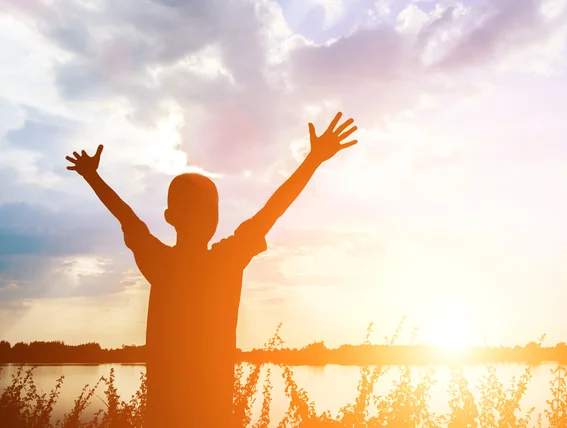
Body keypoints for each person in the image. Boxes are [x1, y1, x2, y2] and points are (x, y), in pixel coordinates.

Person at [66, 112, 359, 427]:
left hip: (166, 416)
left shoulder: (161, 262)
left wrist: (92, 176)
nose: (205, 216)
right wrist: (313, 160)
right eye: (203, 209)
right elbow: (272, 210)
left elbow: (127, 217)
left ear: (168, 217)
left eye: (208, 209)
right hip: (213, 415)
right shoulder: (226, 259)